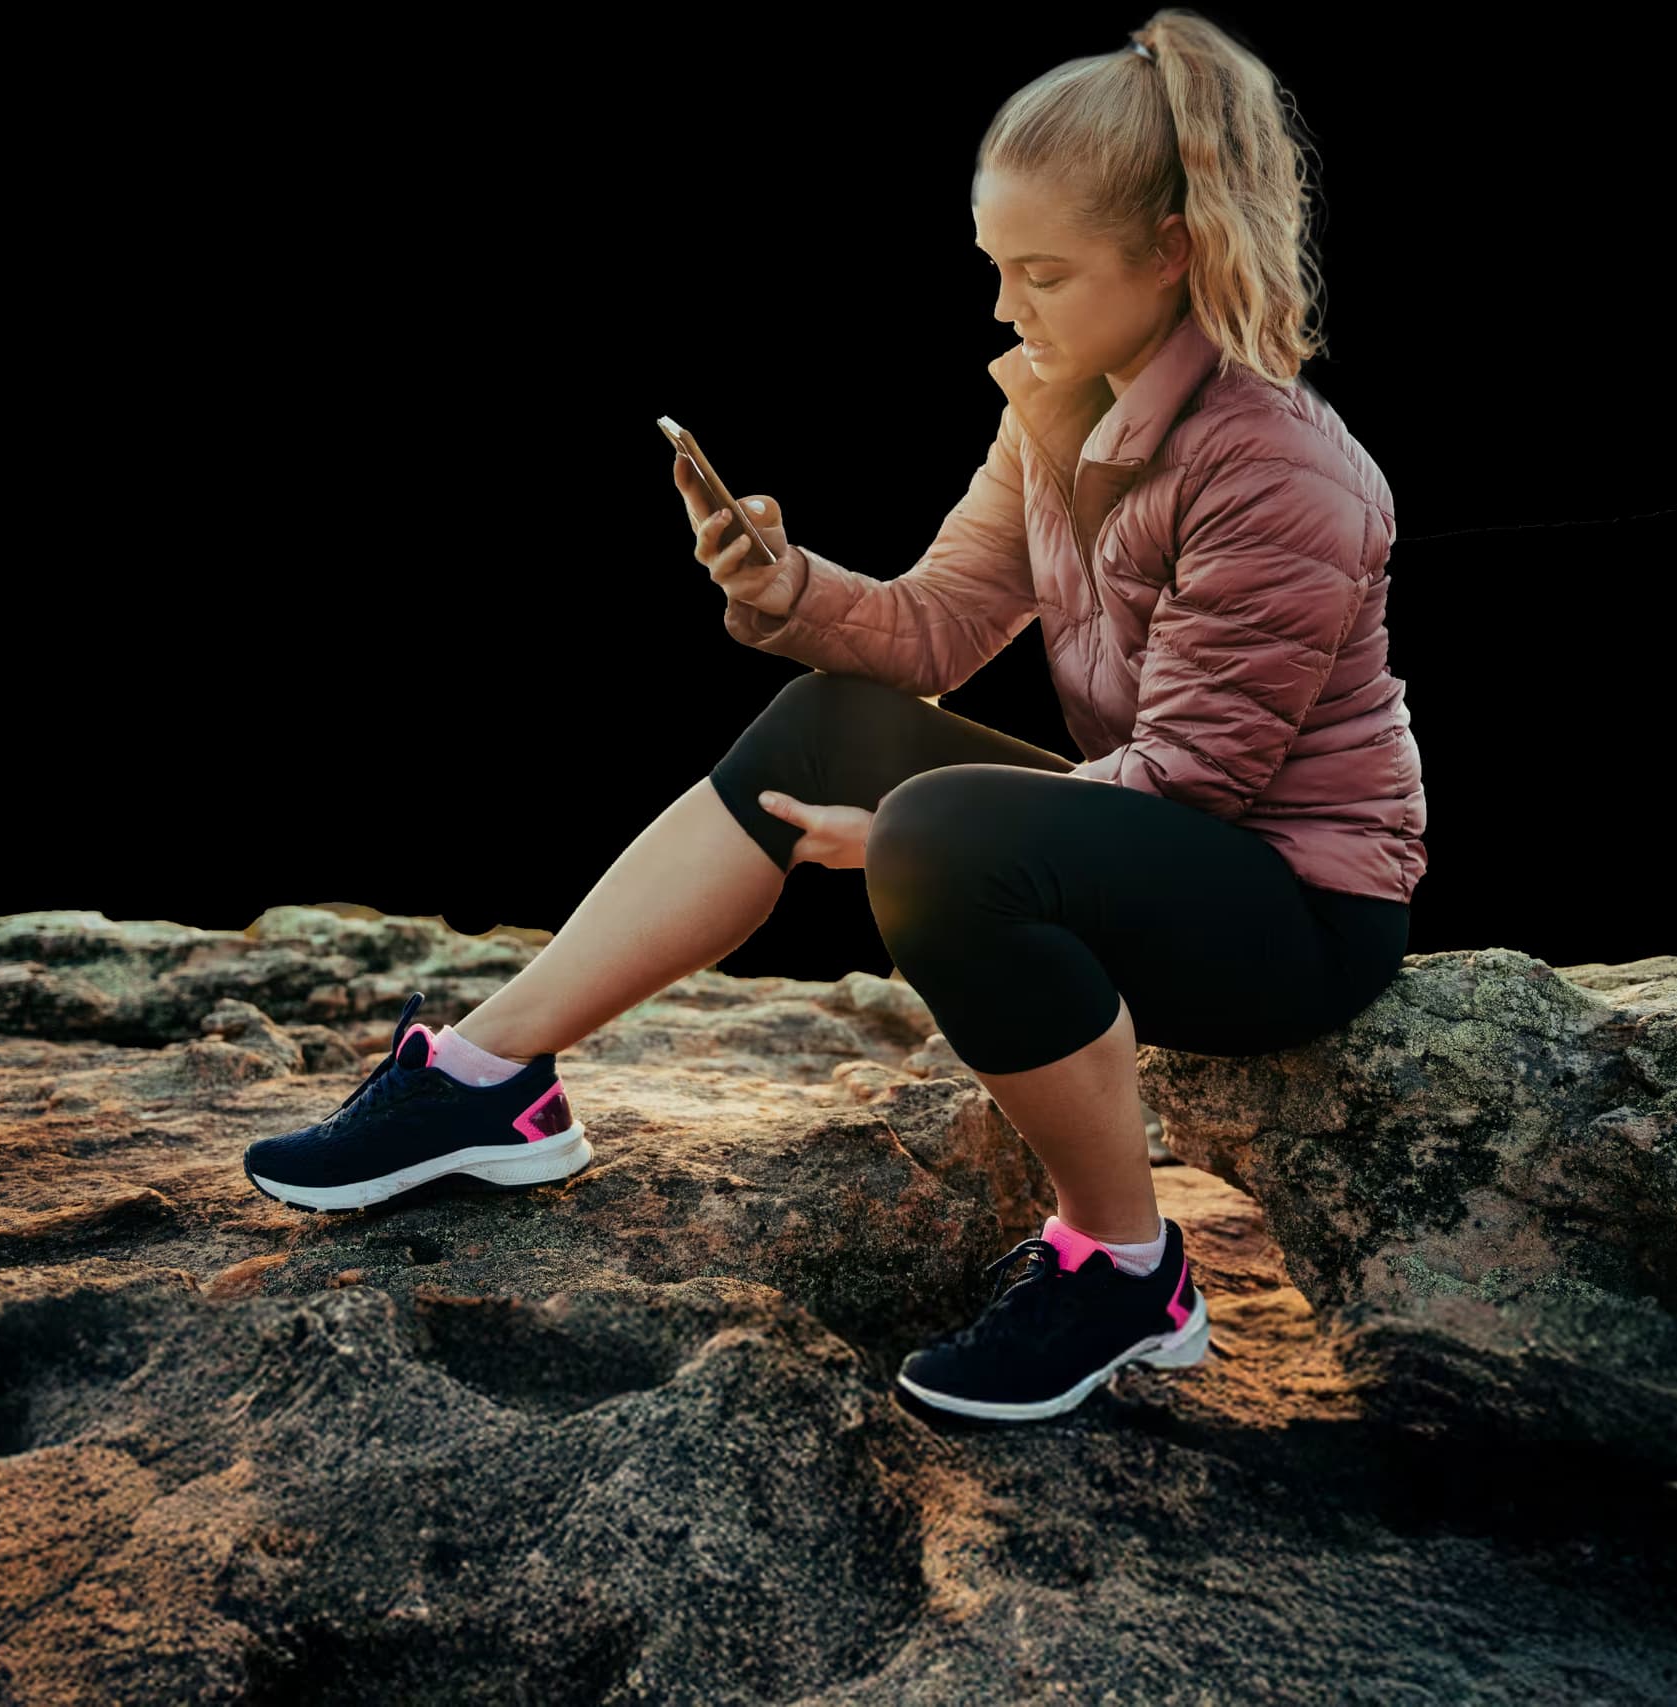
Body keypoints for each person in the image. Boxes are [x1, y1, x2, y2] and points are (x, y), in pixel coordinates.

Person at [245, 12, 1424, 1425]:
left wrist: (907, 835)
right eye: (998, 270)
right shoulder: (1056, 413)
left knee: (936, 831)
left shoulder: (1284, 472)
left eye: (1042, 275)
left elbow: (1199, 780)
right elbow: (933, 632)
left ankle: (1125, 1267)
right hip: (1161, 835)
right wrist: (781, 581)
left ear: (1171, 251)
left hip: (1295, 917)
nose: (1008, 311)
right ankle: (490, 1080)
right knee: (833, 719)